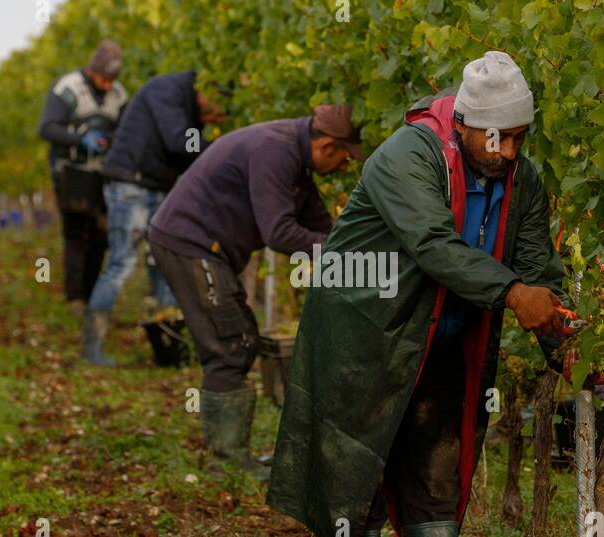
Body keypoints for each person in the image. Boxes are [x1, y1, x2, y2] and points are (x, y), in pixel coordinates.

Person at [266, 52, 577, 537]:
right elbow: (433, 246)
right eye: (497, 137)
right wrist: (513, 293)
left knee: (436, 470)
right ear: (462, 122)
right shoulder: (408, 156)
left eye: (517, 138)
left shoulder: (524, 180)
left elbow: (539, 267)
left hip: (441, 339)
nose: (508, 152)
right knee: (361, 469)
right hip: (365, 334)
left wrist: (564, 342)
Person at [148, 104, 364, 471]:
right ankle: (226, 462)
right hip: (188, 242)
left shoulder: (296, 162)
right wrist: (336, 252)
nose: (344, 167)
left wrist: (363, 253)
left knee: (237, 340)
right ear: (327, 145)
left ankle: (230, 456)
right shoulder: (275, 151)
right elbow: (279, 233)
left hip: (203, 247)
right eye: (344, 158)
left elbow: (322, 228)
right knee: (232, 343)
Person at [82, 70, 225, 366]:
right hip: (130, 186)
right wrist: (223, 152)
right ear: (208, 93)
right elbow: (180, 143)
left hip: (155, 185)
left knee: (164, 260)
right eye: (216, 114)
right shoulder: (168, 93)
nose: (214, 122)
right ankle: (92, 348)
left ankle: (170, 349)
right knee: (121, 264)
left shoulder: (187, 102)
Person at [38, 40, 128, 312]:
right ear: (92, 70)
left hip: (103, 176)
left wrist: (109, 141)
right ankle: (75, 297)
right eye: (104, 78)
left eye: (112, 79)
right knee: (76, 233)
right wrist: (79, 140)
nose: (107, 85)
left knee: (101, 235)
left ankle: (90, 295)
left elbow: (126, 131)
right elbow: (47, 128)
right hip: (71, 174)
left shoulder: (119, 95)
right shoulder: (67, 89)